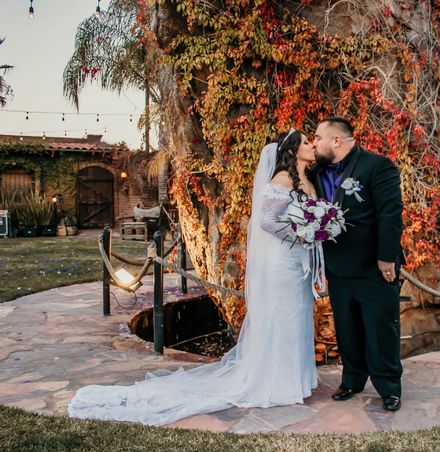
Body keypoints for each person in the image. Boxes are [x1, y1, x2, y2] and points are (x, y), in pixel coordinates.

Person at [68, 129, 319, 425]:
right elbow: (266, 221)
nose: (312, 145)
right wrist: (301, 234)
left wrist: (314, 230)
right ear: (292, 150)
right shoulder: (281, 179)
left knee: (298, 314)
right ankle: (277, 382)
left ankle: (296, 379)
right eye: (306, 142)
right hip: (282, 260)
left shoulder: (306, 181)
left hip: (297, 261)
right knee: (282, 316)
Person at [310, 116, 404, 411]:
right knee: (347, 327)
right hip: (337, 267)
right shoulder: (315, 172)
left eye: (318, 137)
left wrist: (386, 256)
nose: (314, 143)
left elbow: (390, 212)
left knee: (380, 328)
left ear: (336, 140)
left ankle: (389, 386)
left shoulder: (377, 166)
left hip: (374, 267)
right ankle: (352, 379)